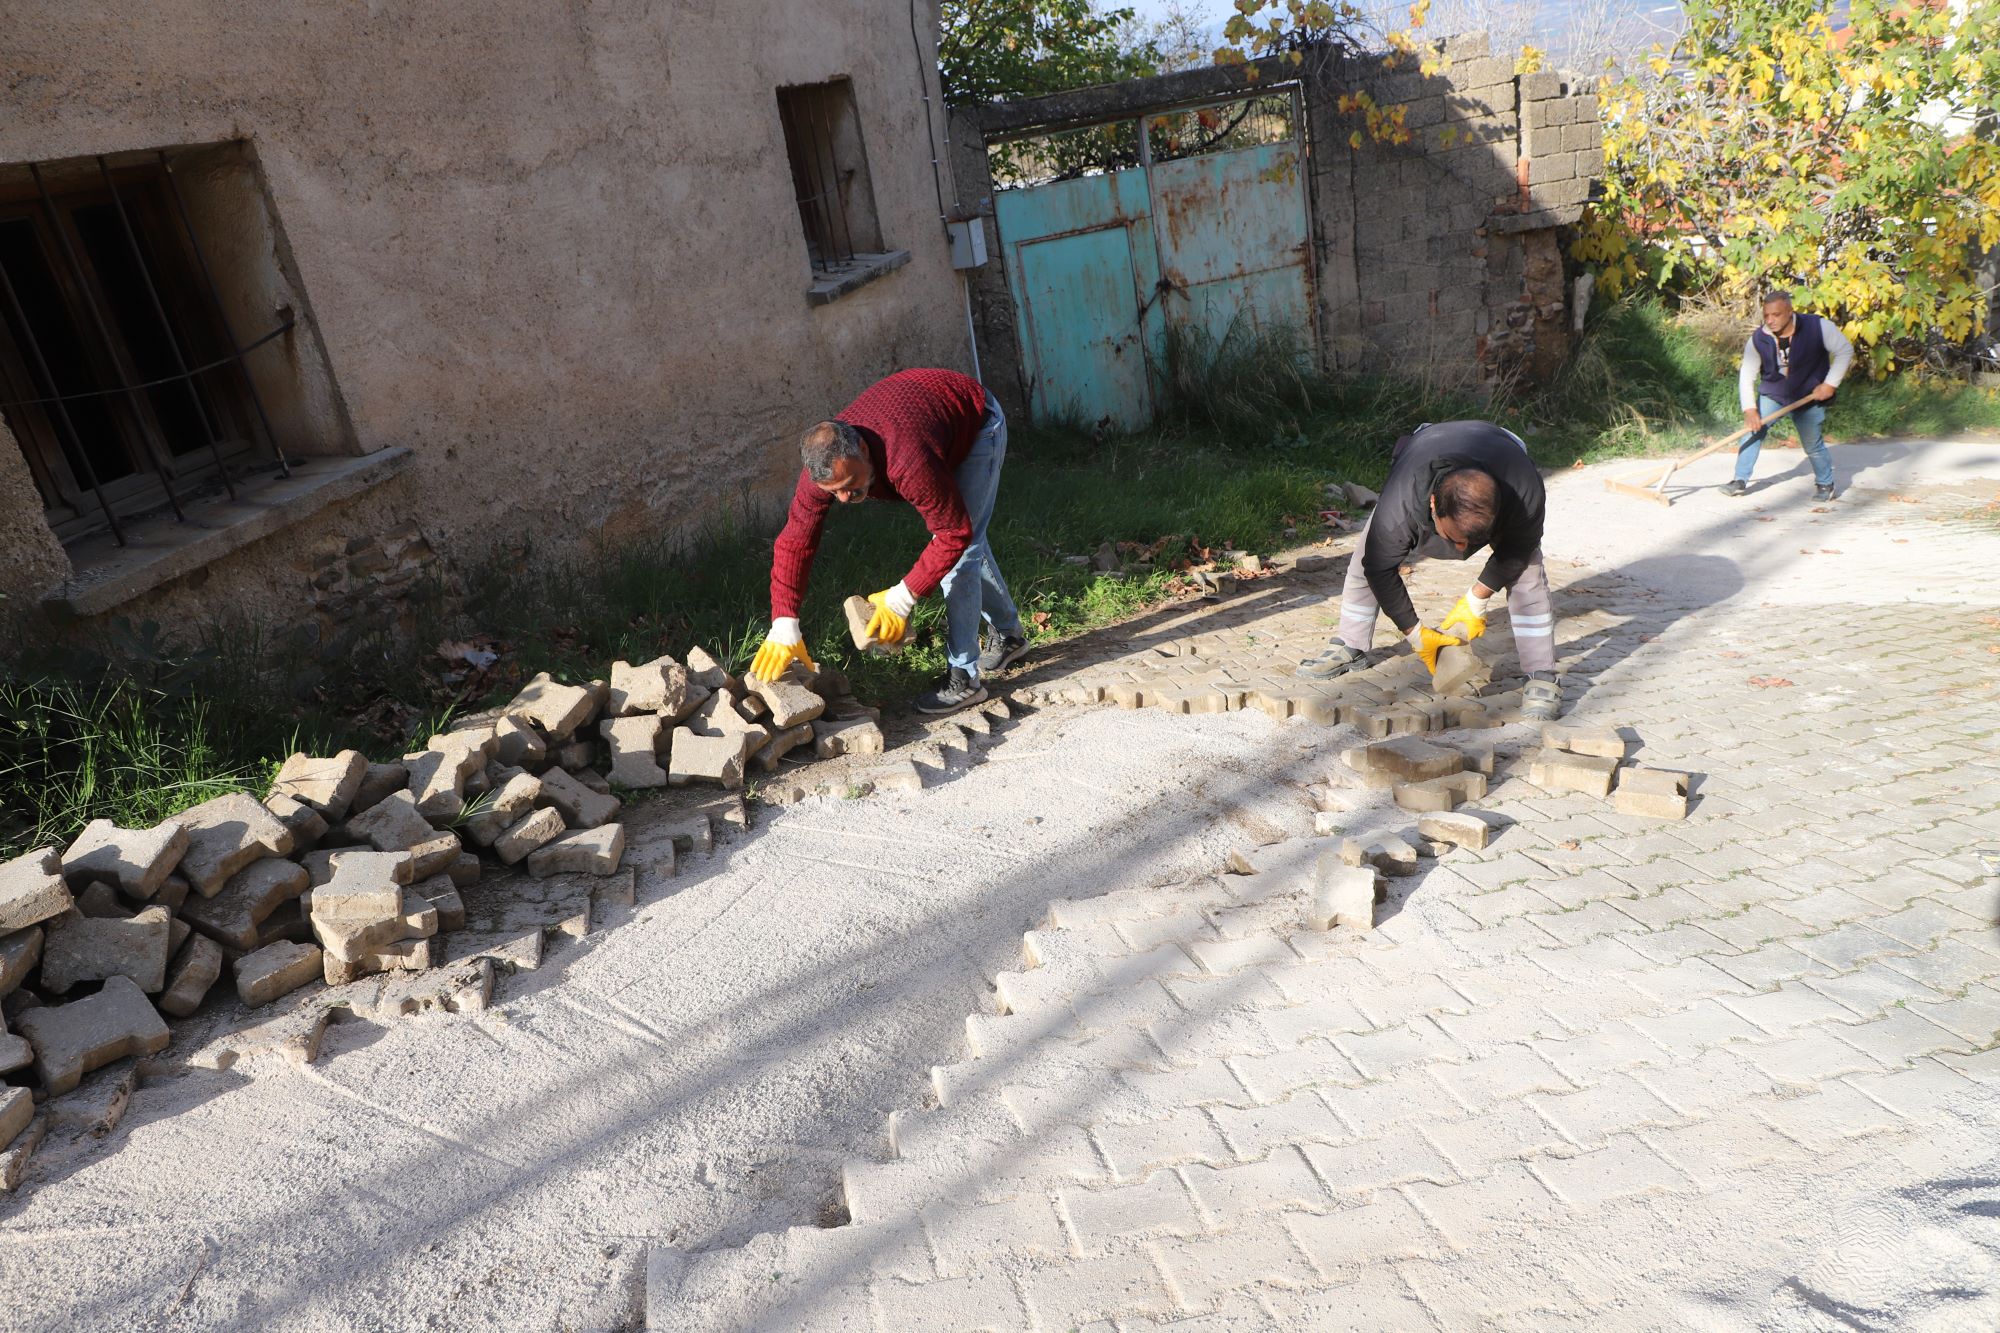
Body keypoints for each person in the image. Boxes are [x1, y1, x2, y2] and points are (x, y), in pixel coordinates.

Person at [747, 368, 1027, 715]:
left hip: (975, 424)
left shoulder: (906, 460)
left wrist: (902, 598)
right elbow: (795, 542)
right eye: (834, 492)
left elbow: (953, 533)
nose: (845, 499)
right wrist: (784, 621)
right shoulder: (825, 471)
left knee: (962, 550)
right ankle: (1009, 635)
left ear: (863, 450)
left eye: (849, 485)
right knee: (969, 540)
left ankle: (964, 678)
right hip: (927, 423)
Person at [1294, 419, 1561, 721]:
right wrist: (1416, 634)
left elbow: (1518, 549)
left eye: (1471, 542)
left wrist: (1477, 597)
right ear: (1433, 504)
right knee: (1367, 555)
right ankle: (1349, 644)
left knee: (1528, 575)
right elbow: (1379, 568)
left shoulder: (1524, 491)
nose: (1461, 550)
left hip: (1503, 450)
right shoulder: (1401, 502)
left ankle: (1542, 674)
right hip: (1425, 449)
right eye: (1453, 539)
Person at [1726, 290, 1854, 501]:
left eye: (1776, 315)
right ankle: (1739, 480)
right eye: (1766, 315)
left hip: (1809, 395)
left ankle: (1825, 484)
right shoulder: (1759, 338)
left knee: (1812, 444)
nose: (1770, 320)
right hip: (1774, 394)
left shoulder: (1817, 327)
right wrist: (1749, 409)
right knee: (1751, 432)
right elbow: (1747, 374)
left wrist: (1830, 384)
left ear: (1789, 311)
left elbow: (1844, 350)